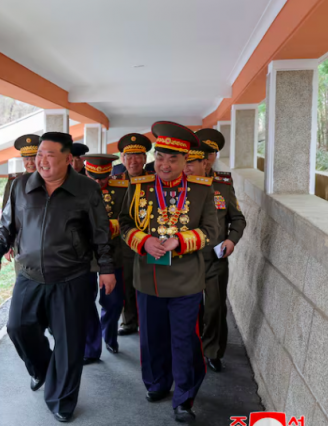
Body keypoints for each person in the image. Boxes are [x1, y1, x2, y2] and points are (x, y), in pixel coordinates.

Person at [0, 131, 116, 423]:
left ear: (68, 159)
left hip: (72, 276)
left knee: (69, 343)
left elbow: (100, 233)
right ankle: (42, 369)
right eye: (39, 154)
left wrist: (106, 269)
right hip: (29, 275)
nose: (42, 160)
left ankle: (62, 401)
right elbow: (6, 226)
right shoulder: (21, 186)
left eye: (49, 155)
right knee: (18, 328)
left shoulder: (86, 188)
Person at [119, 121, 219, 423]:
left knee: (184, 340)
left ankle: (184, 398)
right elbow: (125, 223)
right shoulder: (139, 186)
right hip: (147, 276)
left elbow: (212, 230)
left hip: (186, 280)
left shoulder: (202, 189)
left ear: (185, 160)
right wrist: (144, 241)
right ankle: (157, 383)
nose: (164, 164)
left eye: (172, 159)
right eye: (160, 157)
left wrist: (180, 241)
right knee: (152, 337)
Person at [194, 128, 246, 373]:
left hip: (215, 257)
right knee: (192, 307)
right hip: (188, 258)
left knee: (215, 306)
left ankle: (213, 351)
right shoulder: (183, 183)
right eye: (201, 156)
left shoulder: (223, 185)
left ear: (214, 157)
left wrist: (231, 241)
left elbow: (237, 219)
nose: (206, 161)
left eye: (210, 155)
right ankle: (192, 348)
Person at [80, 153, 126, 364]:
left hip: (113, 252)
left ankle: (109, 334)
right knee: (86, 301)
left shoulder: (122, 190)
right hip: (85, 255)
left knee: (114, 301)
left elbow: (130, 219)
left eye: (103, 177)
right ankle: (91, 348)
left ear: (110, 173)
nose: (99, 182)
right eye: (94, 177)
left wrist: (106, 227)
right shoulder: (76, 189)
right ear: (87, 172)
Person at [113, 133, 154, 336]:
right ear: (122, 159)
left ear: (145, 158)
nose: (133, 161)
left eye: (138, 156)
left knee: (149, 283)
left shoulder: (154, 180)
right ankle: (129, 321)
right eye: (129, 156)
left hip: (150, 241)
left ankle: (149, 320)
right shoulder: (115, 182)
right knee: (127, 283)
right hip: (123, 243)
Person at [1, 134, 41, 273]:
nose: (30, 162)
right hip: (21, 243)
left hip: (46, 244)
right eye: (26, 158)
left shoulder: (50, 181)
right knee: (22, 279)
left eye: (34, 157)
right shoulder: (14, 183)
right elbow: (7, 215)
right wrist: (7, 243)